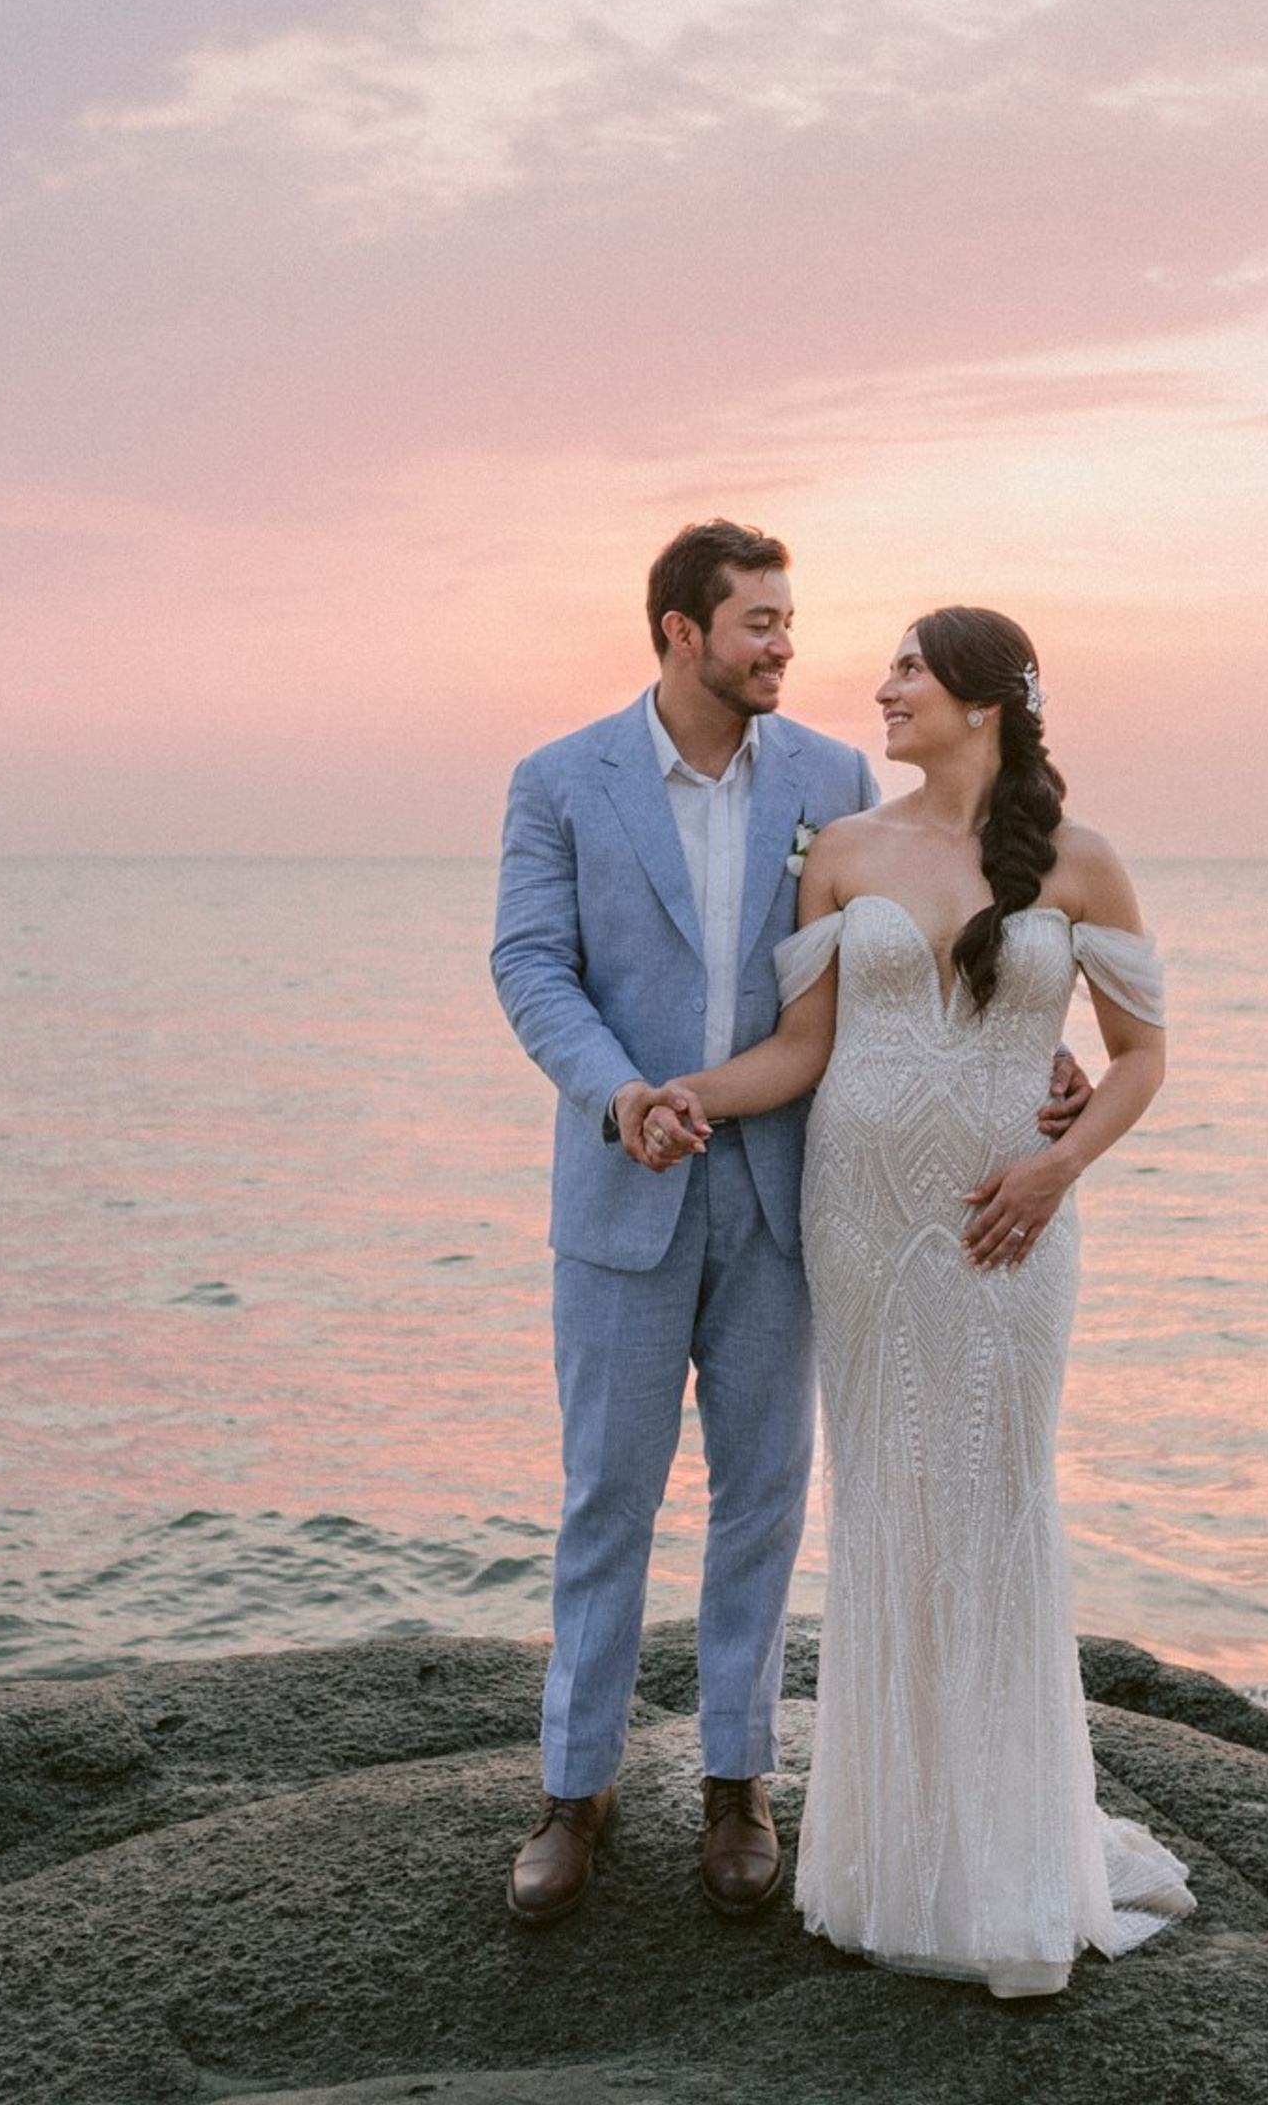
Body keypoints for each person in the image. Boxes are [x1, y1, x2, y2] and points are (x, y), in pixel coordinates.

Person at [489, 528, 1089, 1928]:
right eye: (758, 624)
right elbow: (529, 961)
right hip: (621, 1190)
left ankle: (737, 1784)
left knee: (762, 1496)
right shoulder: (559, 781)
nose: (784, 647)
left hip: (787, 1197)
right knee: (607, 1497)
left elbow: (932, 927)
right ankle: (573, 1793)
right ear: (678, 633)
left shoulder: (829, 780)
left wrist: (1031, 1051)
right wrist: (616, 1094)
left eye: (789, 621)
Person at [639, 606, 1194, 1997]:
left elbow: (1139, 1058)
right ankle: (892, 1858)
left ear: (983, 700)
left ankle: (1006, 1862)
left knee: (995, 1508)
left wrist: (1057, 1168)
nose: (881, 691)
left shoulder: (1081, 860)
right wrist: (684, 1096)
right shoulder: (845, 853)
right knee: (886, 1509)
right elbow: (800, 1050)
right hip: (866, 1227)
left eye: (908, 673)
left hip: (1012, 1231)